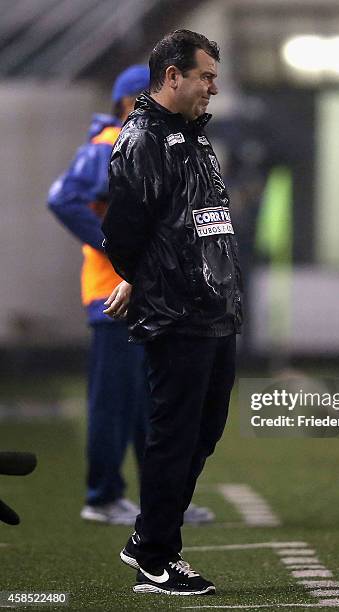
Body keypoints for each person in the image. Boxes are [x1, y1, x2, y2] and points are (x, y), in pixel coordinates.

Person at [102, 30, 242, 596]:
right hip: (176, 315)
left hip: (213, 310)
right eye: (205, 76)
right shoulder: (141, 141)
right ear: (172, 77)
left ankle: (148, 538)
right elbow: (122, 236)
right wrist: (148, 283)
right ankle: (157, 559)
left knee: (204, 433)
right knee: (175, 436)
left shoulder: (193, 136)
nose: (213, 86)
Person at [47, 65, 214, 527]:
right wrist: (113, 247)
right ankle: (102, 497)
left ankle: (158, 503)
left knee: (151, 405)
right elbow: (63, 198)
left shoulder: (145, 146)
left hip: (148, 295)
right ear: (129, 101)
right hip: (114, 296)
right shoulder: (110, 145)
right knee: (115, 401)